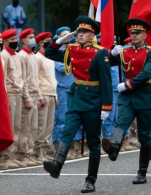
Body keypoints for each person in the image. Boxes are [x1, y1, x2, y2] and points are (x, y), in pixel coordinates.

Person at [44, 16, 112, 193]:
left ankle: (90, 180)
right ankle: (57, 165)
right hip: (76, 97)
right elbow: (49, 54)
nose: (80, 34)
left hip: (93, 100)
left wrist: (106, 107)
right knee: (68, 130)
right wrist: (59, 41)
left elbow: (106, 82)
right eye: (79, 31)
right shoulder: (72, 49)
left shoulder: (100, 52)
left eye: (84, 32)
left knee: (93, 142)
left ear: (92, 35)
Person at [102, 18, 151, 185]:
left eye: (137, 33)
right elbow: (105, 64)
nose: (133, 35)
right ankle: (113, 149)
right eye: (132, 33)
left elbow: (147, 74)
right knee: (122, 122)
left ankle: (142, 171)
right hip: (127, 97)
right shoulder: (124, 51)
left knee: (144, 136)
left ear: (144, 35)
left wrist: (127, 85)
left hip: (143, 96)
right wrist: (111, 53)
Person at [0, 29, 25, 169]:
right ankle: (6, 155)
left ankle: (12, 154)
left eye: (16, 38)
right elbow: (2, 78)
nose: (15, 41)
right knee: (9, 127)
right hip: (9, 94)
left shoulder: (16, 55)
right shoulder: (3, 55)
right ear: (5, 42)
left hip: (18, 93)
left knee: (17, 126)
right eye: (12, 39)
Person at [18, 29, 43, 166]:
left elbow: (36, 79)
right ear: (24, 40)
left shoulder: (33, 56)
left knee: (33, 127)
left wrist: (39, 96)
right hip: (27, 95)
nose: (33, 39)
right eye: (30, 37)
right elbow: (23, 79)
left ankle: (29, 152)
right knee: (25, 126)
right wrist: (26, 97)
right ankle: (22, 153)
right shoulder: (21, 56)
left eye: (34, 37)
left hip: (35, 93)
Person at [52, 27, 76, 160]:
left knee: (72, 119)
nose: (68, 38)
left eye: (69, 35)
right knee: (61, 119)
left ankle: (70, 144)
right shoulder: (58, 53)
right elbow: (62, 68)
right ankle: (59, 146)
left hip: (73, 89)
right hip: (61, 89)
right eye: (64, 35)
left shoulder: (72, 51)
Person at [35, 32, 58, 162]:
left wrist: (56, 96)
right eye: (47, 40)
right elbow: (35, 78)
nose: (50, 42)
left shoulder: (50, 57)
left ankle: (44, 149)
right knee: (41, 124)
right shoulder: (37, 57)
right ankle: (39, 151)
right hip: (43, 93)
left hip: (51, 92)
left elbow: (52, 78)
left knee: (49, 125)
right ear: (40, 43)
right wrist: (39, 95)